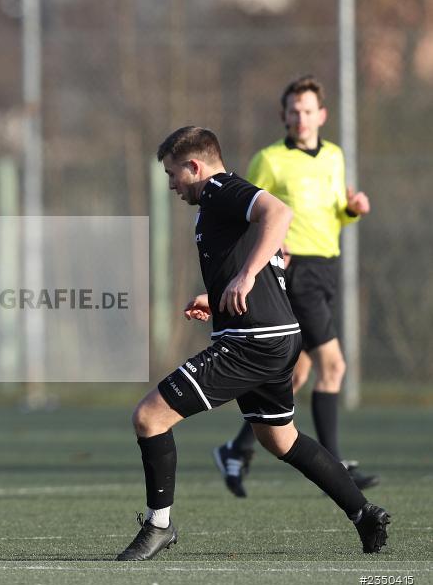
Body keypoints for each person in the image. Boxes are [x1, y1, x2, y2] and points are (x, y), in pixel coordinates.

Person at [115, 126, 389, 561]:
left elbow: (279, 214)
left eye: (172, 174)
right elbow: (274, 249)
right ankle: (364, 513)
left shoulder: (222, 189)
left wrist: (243, 278)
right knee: (280, 439)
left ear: (194, 166)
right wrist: (222, 291)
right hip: (275, 336)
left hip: (252, 341)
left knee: (149, 418)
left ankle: (158, 526)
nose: (170, 184)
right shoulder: (219, 203)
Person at [213, 75, 378, 498]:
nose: (301, 118)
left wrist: (352, 209)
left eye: (308, 110)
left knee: (298, 372)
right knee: (334, 366)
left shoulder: (335, 156)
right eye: (293, 111)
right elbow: (250, 216)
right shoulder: (268, 160)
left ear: (321, 115)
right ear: (283, 116)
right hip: (294, 269)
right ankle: (336, 462)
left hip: (326, 268)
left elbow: (336, 213)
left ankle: (235, 449)